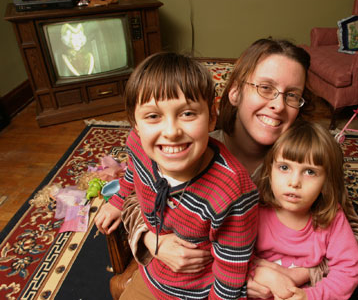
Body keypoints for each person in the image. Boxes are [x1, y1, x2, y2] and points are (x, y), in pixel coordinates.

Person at [97, 38, 358, 298]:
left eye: (292, 96)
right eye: (265, 88)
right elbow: (139, 194)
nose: (277, 104)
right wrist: (151, 240)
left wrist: (299, 273)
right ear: (235, 92)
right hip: (180, 275)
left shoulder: (302, 162)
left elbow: (350, 235)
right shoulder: (189, 146)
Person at [95, 52, 259, 299]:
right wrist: (118, 202)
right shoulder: (137, 145)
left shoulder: (232, 191)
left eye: (188, 114)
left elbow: (230, 275)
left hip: (197, 294)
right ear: (136, 124)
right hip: (151, 276)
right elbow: (132, 173)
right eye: (153, 116)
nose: (171, 132)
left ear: (212, 117)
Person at [251, 120, 358, 299]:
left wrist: (311, 296)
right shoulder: (254, 209)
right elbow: (230, 253)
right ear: (269, 170)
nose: (294, 182)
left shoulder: (333, 217)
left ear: (326, 181)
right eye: (284, 167)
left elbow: (349, 268)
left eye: (310, 172)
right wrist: (259, 273)